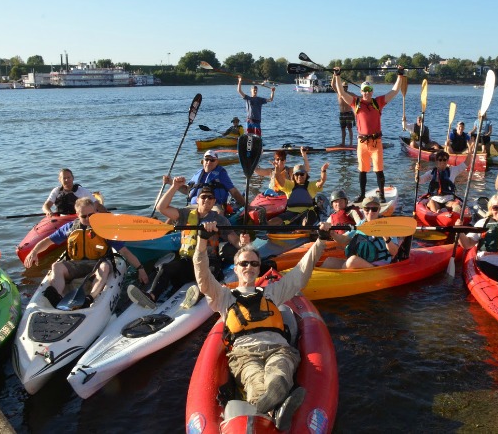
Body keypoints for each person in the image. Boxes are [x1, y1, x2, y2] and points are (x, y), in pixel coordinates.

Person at [193, 221, 332, 431]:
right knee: (256, 383)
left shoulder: (272, 293)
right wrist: (202, 241)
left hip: (278, 350)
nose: (249, 267)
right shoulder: (223, 297)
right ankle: (275, 410)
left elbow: (300, 275)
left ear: (259, 268)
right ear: (236, 268)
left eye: (254, 264)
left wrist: (321, 240)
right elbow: (203, 278)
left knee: (279, 374)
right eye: (244, 264)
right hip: (244, 356)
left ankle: (267, 410)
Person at [127, 182, 246, 309]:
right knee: (165, 268)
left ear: (214, 201)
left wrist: (242, 243)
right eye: (204, 197)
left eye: (210, 198)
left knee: (211, 271)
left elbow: (234, 240)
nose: (207, 199)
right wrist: (174, 187)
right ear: (198, 200)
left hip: (208, 261)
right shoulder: (185, 215)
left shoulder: (220, 220)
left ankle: (199, 295)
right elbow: (161, 208)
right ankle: (152, 296)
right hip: (188, 261)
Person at [24, 197, 148, 307]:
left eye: (91, 215)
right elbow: (48, 241)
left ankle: (91, 297)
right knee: (56, 266)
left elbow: (124, 252)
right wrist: (34, 252)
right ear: (77, 215)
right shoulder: (69, 228)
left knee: (104, 267)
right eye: (84, 216)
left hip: (98, 263)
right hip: (76, 264)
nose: (88, 219)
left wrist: (140, 269)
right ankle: (57, 296)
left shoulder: (104, 230)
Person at [333, 66, 404, 203]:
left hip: (376, 143)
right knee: (362, 171)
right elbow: (341, 92)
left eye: (369, 90)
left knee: (378, 170)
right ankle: (362, 195)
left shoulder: (378, 102)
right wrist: (337, 75)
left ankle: (382, 195)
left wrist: (400, 76)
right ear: (361, 92)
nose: (367, 93)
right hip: (362, 144)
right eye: (364, 90)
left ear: (372, 92)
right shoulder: (356, 103)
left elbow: (394, 91)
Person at [324, 195, 402, 268]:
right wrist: (332, 232)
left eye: (374, 209)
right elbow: (343, 239)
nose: (370, 212)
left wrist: (386, 238)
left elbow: (394, 252)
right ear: (363, 210)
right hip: (363, 262)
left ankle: (339, 280)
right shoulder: (361, 224)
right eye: (367, 209)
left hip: (378, 266)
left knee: (352, 260)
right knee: (329, 261)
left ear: (379, 210)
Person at [172, 150, 246, 213]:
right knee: (177, 213)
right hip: (195, 206)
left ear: (217, 162)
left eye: (212, 160)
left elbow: (233, 191)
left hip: (214, 206)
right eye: (207, 159)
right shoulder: (197, 174)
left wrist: (245, 205)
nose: (209, 162)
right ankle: (164, 228)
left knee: (219, 212)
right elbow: (187, 190)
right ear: (203, 161)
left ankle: (220, 228)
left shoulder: (221, 174)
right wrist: (172, 183)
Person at [270, 155, 329, 225]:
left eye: (302, 174)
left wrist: (323, 171)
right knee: (272, 221)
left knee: (306, 221)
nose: (299, 176)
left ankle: (302, 228)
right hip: (290, 213)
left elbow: (322, 181)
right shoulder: (289, 185)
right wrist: (277, 168)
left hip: (307, 213)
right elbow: (279, 179)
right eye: (297, 174)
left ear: (306, 175)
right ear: (293, 176)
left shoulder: (311, 185)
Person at [331, 76, 354, 146]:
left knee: (349, 129)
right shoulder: (339, 93)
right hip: (342, 114)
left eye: (346, 87)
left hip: (349, 113)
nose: (345, 88)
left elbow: (359, 97)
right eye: (344, 87)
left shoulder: (350, 94)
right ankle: (343, 143)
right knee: (342, 129)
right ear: (342, 87)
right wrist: (334, 76)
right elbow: (332, 84)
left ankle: (351, 144)